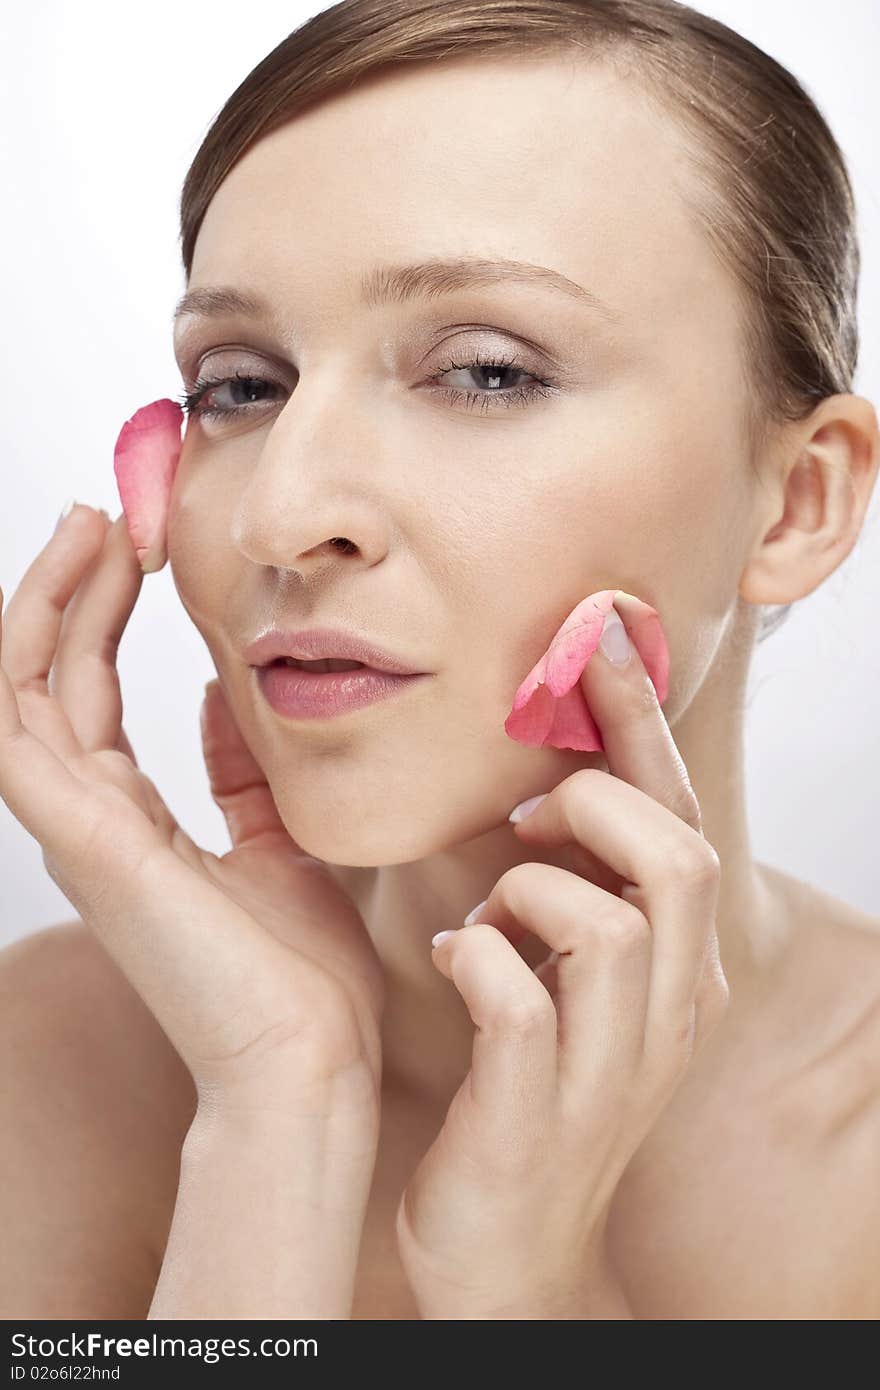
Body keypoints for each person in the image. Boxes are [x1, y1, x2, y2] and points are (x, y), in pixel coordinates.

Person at [1, 0, 878, 1320]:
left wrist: (521, 1295)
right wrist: (275, 1105)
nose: (280, 517)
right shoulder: (44, 1066)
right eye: (241, 383)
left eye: (483, 372)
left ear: (801, 502)